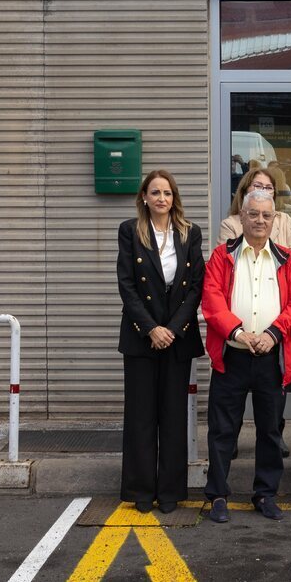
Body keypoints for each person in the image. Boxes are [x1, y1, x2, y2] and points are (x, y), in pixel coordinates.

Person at [201, 190, 291, 523]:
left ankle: (265, 493)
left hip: (272, 357)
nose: (260, 221)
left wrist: (272, 334)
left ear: (275, 218)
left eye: (267, 215)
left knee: (269, 431)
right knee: (222, 430)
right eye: (253, 214)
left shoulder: (287, 259)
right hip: (231, 356)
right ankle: (218, 495)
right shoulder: (222, 256)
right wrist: (237, 332)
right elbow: (212, 301)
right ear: (242, 217)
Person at [116, 169, 204, 514]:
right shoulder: (130, 231)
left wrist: (173, 328)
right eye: (155, 193)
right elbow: (127, 285)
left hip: (177, 338)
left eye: (167, 193)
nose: (161, 199)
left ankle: (170, 491)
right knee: (140, 415)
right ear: (144, 197)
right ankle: (140, 490)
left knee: (172, 416)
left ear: (174, 198)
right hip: (141, 337)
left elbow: (196, 285)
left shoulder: (189, 233)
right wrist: (151, 328)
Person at [219, 168, 291, 262]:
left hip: (281, 277)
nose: (263, 191)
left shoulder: (285, 220)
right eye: (258, 186)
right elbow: (225, 263)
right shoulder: (230, 225)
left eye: (269, 188)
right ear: (244, 191)